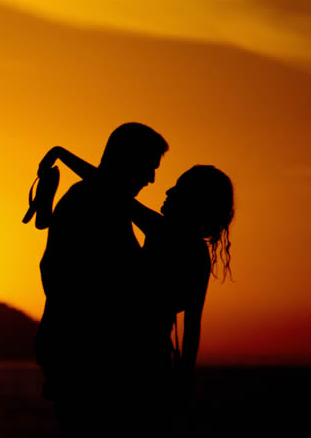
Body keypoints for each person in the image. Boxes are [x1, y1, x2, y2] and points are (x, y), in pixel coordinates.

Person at [36, 146, 234, 437]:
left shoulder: (162, 231)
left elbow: (106, 185)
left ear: (193, 201)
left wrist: (60, 154)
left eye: (178, 188)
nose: (166, 190)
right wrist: (184, 379)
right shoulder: (196, 252)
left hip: (129, 364)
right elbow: (192, 326)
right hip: (153, 364)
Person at [33, 122, 168, 437]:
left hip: (79, 357)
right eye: (148, 167)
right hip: (90, 363)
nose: (150, 179)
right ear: (126, 160)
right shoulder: (93, 204)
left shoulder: (100, 202)